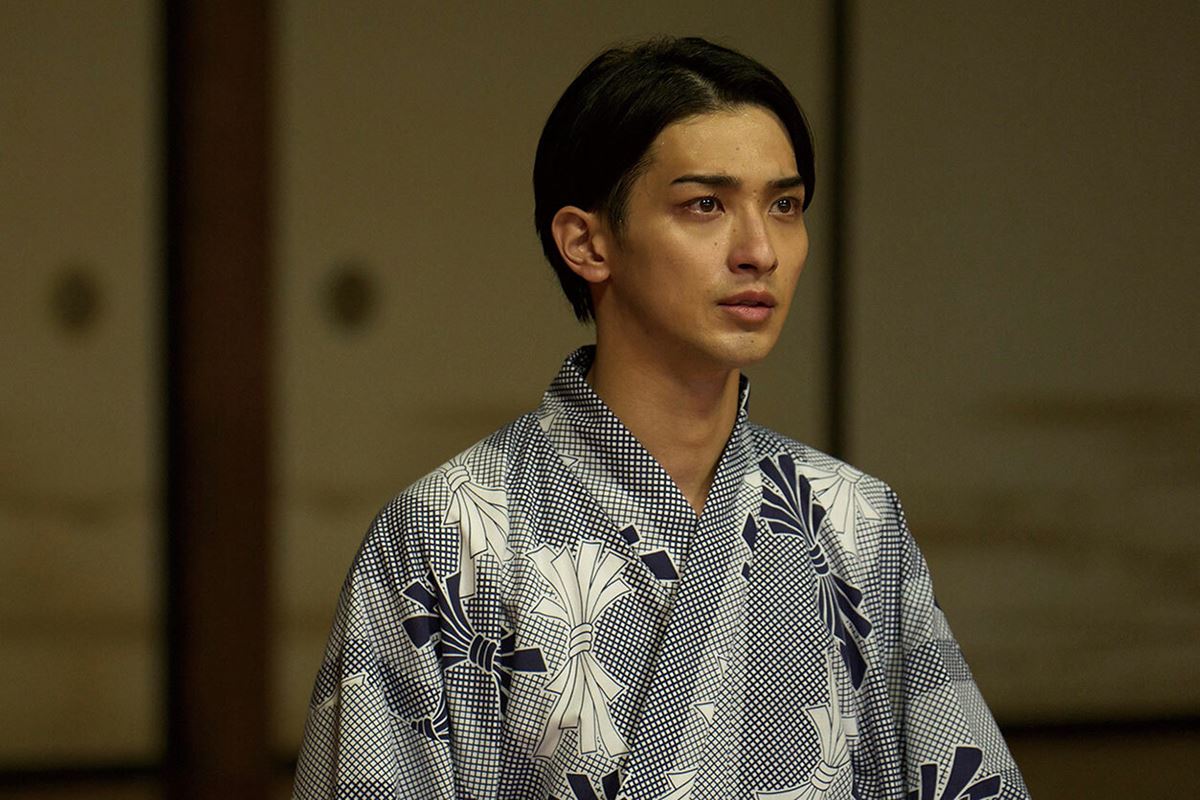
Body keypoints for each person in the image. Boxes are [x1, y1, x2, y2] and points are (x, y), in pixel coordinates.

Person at [293, 36, 1029, 800]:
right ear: (587, 242)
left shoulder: (855, 521)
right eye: (705, 205)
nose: (760, 251)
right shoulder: (450, 532)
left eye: (784, 206)